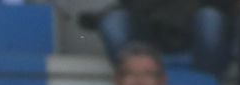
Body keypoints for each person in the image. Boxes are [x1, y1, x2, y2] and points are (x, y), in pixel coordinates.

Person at [91, 2, 228, 76]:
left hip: (194, 42)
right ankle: (132, 75)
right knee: (113, 21)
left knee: (211, 18)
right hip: (147, 35)